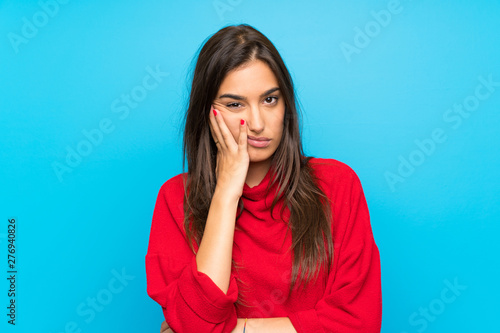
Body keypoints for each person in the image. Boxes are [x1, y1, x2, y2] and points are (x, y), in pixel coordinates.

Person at [145, 24, 382, 333]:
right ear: (207, 112)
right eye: (235, 104)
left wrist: (234, 329)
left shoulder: (337, 184)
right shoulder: (176, 198)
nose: (257, 123)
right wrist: (226, 193)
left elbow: (358, 324)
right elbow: (195, 322)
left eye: (270, 100)